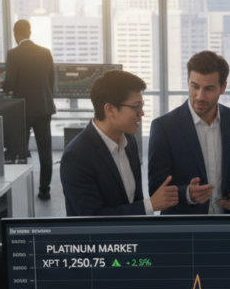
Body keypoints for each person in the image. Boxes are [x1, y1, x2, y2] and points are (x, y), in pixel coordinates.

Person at [148, 51, 230, 214]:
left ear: (223, 87)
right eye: (195, 86)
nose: (200, 96)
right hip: (183, 228)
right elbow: (156, 188)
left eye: (209, 89)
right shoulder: (164, 127)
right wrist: (187, 194)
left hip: (227, 224)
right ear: (187, 82)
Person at [60, 70, 178, 216]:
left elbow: (134, 200)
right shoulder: (76, 157)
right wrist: (150, 205)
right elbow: (93, 218)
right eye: (136, 107)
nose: (141, 113)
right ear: (110, 110)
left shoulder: (129, 140)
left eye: (142, 105)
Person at [2, 20, 56, 200]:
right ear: (30, 32)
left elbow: (9, 85)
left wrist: (4, 85)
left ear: (15, 34)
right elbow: (50, 81)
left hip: (22, 110)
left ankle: (19, 189)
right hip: (43, 108)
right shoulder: (45, 52)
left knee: (20, 150)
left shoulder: (13, 54)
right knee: (45, 150)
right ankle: (44, 189)